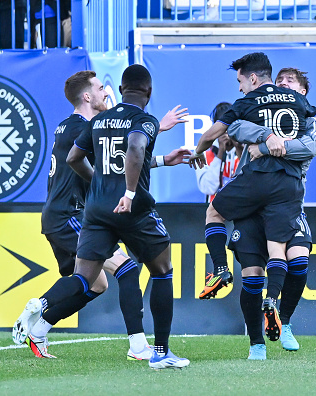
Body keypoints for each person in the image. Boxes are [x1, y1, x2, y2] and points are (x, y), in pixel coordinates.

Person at [12, 70, 191, 360]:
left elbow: (114, 166)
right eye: (99, 88)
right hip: (70, 213)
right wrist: (157, 128)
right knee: (129, 269)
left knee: (96, 283)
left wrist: (160, 158)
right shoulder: (87, 126)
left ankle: (40, 329)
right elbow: (124, 159)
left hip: (70, 213)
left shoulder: (73, 126)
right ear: (87, 96)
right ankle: (136, 344)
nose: (106, 92)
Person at [189, 52, 316, 345]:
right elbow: (313, 133)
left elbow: (214, 133)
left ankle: (220, 269)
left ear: (253, 78)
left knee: (214, 212)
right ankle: (272, 301)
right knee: (278, 251)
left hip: (258, 178)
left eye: (240, 81)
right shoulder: (299, 102)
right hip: (289, 185)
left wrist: (198, 150)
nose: (239, 88)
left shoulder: (247, 102)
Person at [66, 64, 188, 369]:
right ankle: (160, 352)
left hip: (97, 210)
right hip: (132, 209)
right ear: (148, 91)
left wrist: (97, 183)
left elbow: (73, 158)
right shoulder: (143, 120)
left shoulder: (98, 120)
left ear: (120, 90)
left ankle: (39, 316)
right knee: (162, 270)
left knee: (83, 278)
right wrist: (130, 192)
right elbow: (134, 147)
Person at [226, 68, 316, 359]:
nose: (282, 85)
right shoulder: (259, 109)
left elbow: (313, 146)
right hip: (252, 205)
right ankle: (256, 342)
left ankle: (286, 320)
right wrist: (265, 135)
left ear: (303, 92)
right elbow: (234, 128)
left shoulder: (311, 118)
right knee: (254, 275)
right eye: (279, 81)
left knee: (299, 260)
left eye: (290, 82)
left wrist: (267, 146)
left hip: (287, 203)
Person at [195, 102, 242, 202]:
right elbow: (208, 188)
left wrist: (238, 146)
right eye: (222, 128)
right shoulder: (204, 155)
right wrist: (220, 152)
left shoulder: (245, 151)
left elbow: (250, 183)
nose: (226, 132)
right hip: (214, 211)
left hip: (241, 209)